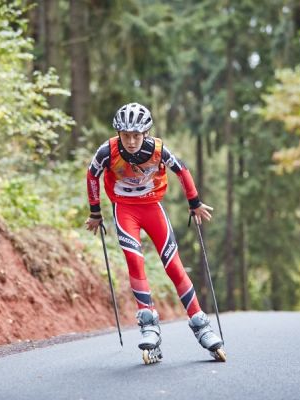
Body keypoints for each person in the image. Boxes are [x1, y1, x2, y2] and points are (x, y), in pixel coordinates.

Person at [85, 102, 225, 361]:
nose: (131, 141)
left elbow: (181, 169)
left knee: (173, 265)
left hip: (152, 207)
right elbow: (92, 175)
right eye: (125, 135)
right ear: (118, 134)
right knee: (134, 261)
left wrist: (194, 202)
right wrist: (95, 212)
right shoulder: (107, 151)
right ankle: (148, 324)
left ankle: (201, 324)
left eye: (136, 135)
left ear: (146, 133)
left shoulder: (157, 149)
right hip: (125, 209)